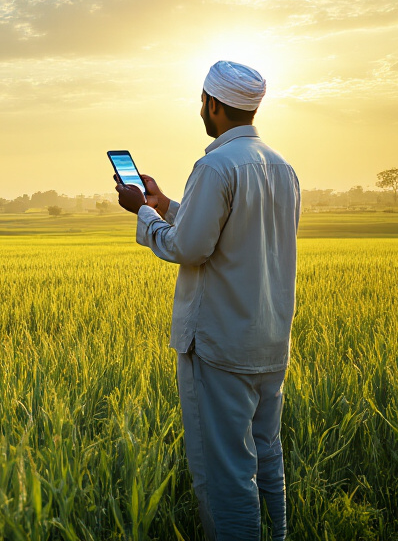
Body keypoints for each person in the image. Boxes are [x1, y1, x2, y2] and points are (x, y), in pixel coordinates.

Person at [113, 61, 301, 541]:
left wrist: (142, 214)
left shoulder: (214, 166)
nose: (201, 108)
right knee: (267, 457)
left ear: (213, 105)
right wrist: (166, 205)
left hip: (219, 344)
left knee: (225, 474)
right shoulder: (282, 167)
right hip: (270, 340)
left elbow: (189, 247)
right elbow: (227, 231)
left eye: (202, 101)